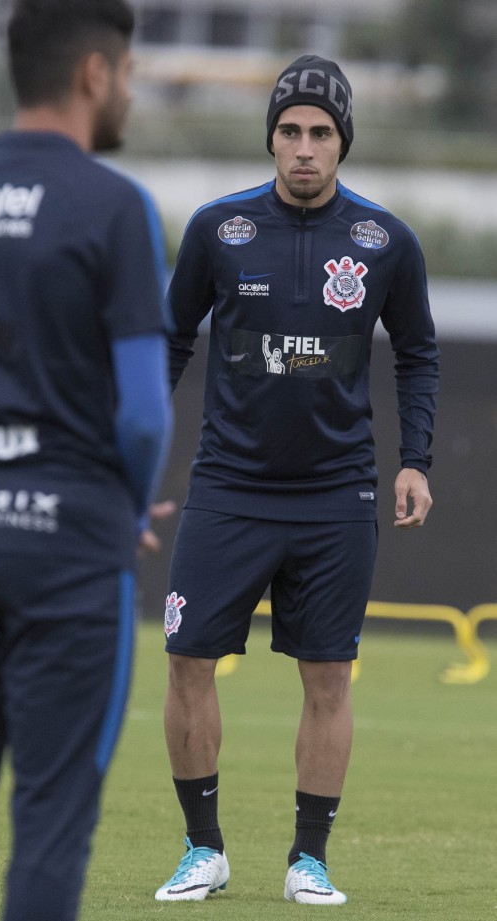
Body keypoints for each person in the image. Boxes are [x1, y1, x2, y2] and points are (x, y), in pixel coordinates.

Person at [0, 2, 173, 920]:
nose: (129, 91)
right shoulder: (113, 203)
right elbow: (142, 412)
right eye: (128, 72)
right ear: (95, 73)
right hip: (68, 542)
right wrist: (124, 507)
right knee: (51, 820)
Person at [156, 54, 438, 905]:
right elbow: (169, 340)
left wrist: (415, 459)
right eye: (290, 132)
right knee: (187, 660)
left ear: (342, 142)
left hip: (336, 495)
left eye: (321, 132)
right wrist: (129, 446)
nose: (304, 148)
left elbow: (420, 355)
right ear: (271, 140)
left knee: (327, 677)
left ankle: (307, 857)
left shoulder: (386, 241)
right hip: (228, 487)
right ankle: (203, 848)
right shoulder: (218, 229)